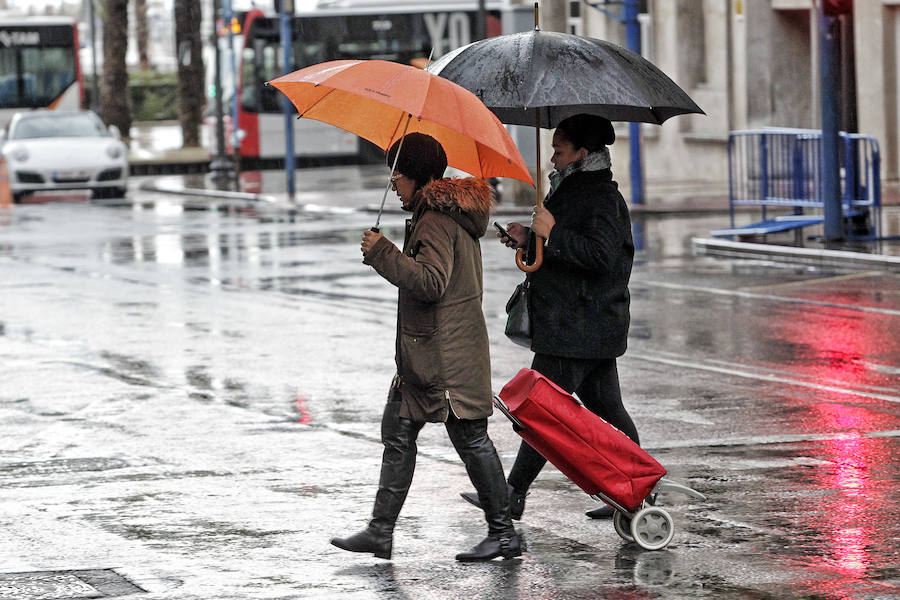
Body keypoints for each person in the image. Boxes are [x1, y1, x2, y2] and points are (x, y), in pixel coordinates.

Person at [330, 132, 523, 562]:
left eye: (396, 174)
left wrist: (383, 253)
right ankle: (380, 532)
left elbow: (431, 283)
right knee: (397, 432)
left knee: (470, 437)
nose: (392, 183)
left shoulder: (435, 219)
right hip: (427, 355)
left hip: (446, 358)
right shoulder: (433, 214)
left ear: (416, 175)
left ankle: (505, 535)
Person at [460, 113, 638, 520]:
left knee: (540, 412)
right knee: (608, 412)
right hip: (579, 324)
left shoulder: (599, 196)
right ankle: (634, 493)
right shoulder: (573, 187)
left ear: (582, 153)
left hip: (579, 326)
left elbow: (601, 256)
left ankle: (513, 493)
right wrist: (529, 238)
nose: (551, 158)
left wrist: (553, 233)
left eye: (558, 150)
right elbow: (559, 254)